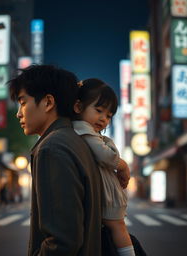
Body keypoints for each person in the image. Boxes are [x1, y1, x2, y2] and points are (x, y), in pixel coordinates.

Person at [8, 64, 103, 255]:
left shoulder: (52, 148)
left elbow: (62, 242)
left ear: (48, 102)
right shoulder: (76, 142)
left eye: (23, 102)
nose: (18, 113)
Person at [73, 78, 135, 256]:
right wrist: (122, 165)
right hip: (107, 194)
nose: (103, 119)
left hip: (107, 193)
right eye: (98, 110)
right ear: (78, 107)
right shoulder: (83, 129)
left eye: (108, 115)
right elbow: (105, 155)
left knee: (117, 227)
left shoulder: (87, 131)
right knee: (118, 227)